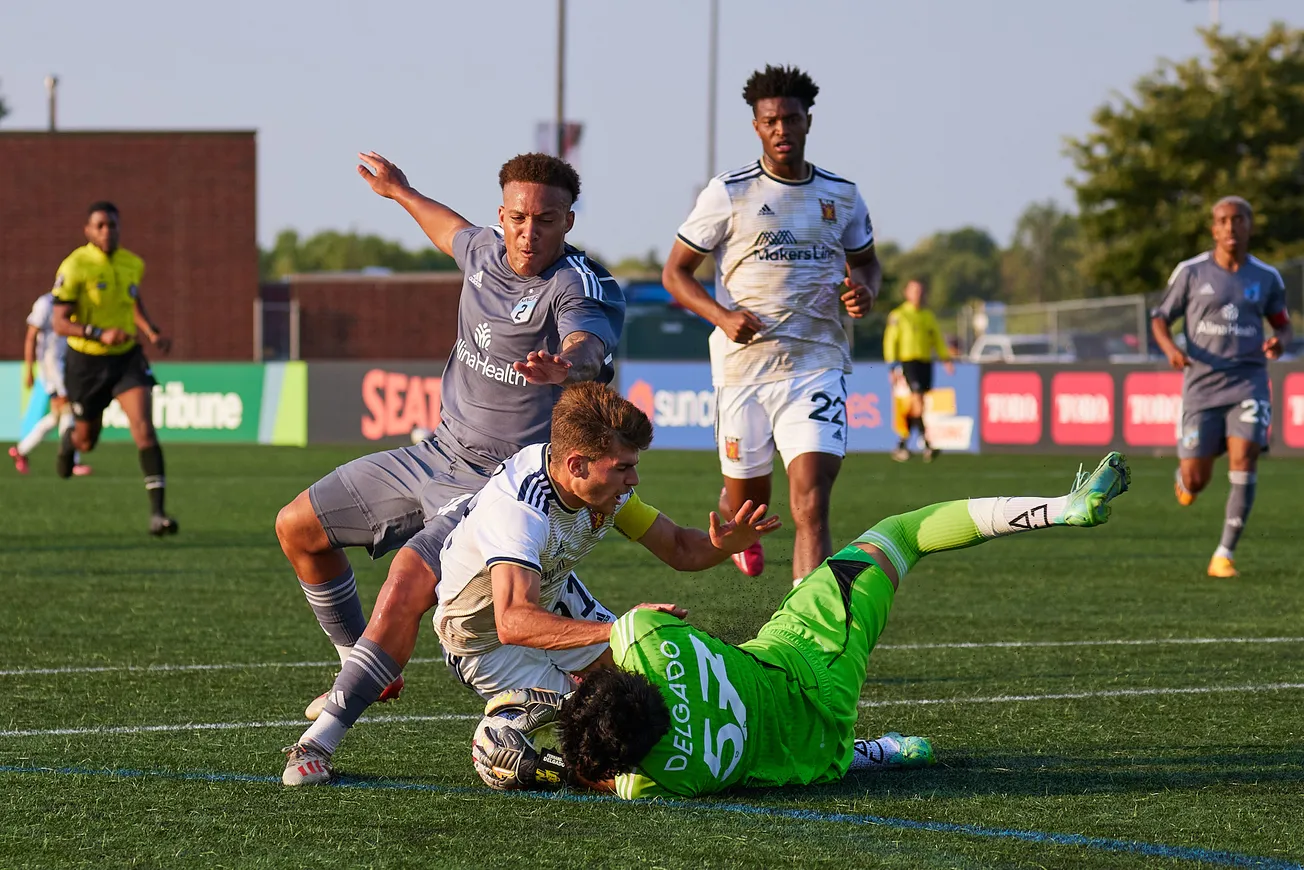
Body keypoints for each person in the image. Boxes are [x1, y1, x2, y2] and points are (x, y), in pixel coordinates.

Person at [471, 453, 1130, 798]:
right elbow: (607, 649)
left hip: (813, 755)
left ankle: (866, 753)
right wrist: (552, 706)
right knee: (902, 535)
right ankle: (1063, 508)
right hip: (804, 658)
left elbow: (605, 776)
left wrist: (543, 771)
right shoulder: (648, 635)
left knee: (810, 758)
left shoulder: (657, 783)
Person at [274, 153, 624, 765]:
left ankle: (321, 739)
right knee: (297, 526)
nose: (528, 231)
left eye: (544, 219)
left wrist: (569, 365)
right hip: (437, 451)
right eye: (517, 217)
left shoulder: (575, 283)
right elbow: (446, 228)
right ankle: (358, 662)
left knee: (407, 582)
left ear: (568, 221)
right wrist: (400, 192)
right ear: (502, 215)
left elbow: (587, 339)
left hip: (500, 483)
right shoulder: (484, 252)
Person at [282, 383, 780, 785]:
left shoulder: (602, 490)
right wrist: (617, 631)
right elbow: (513, 621)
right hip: (484, 642)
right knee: (613, 734)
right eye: (624, 468)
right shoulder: (520, 513)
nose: (633, 481)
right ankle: (490, 738)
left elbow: (680, 548)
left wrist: (725, 544)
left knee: (660, 694)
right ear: (577, 465)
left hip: (555, 599)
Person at [662, 65, 881, 585]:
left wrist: (866, 288)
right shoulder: (729, 193)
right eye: (770, 121)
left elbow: (867, 261)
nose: (781, 129)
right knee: (750, 512)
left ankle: (807, 638)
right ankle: (742, 526)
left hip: (816, 366)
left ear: (808, 122)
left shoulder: (842, 195)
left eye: (791, 118)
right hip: (744, 373)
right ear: (757, 127)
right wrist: (720, 315)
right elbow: (675, 273)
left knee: (811, 505)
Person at [1151, 196, 1292, 578]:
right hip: (1201, 386)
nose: (1231, 227)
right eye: (1224, 221)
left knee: (1244, 457)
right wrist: (1170, 349)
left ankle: (1223, 554)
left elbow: (1282, 323)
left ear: (1249, 225)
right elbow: (1160, 318)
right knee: (1197, 478)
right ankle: (1188, 478)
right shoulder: (1191, 272)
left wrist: (1279, 340)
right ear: (1214, 229)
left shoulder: (1266, 278)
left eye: (1239, 219)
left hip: (1249, 381)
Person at [49, 202, 175, 534]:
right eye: (100, 225)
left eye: (113, 225)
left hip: (126, 358)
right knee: (87, 441)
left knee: (144, 428)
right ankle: (69, 438)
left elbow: (132, 301)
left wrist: (151, 331)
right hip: (86, 362)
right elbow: (59, 322)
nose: (108, 231)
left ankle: (158, 514)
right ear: (88, 231)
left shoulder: (132, 263)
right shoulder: (75, 265)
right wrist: (97, 333)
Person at [9, 292, 91, 475]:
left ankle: (21, 451)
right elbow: (31, 336)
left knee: (57, 416)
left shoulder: (75, 301)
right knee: (69, 409)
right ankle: (71, 460)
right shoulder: (45, 303)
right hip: (52, 364)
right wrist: (29, 369)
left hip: (65, 362)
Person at [883, 278, 954, 462]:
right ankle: (925, 443)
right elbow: (891, 341)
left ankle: (903, 443)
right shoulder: (898, 315)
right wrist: (892, 366)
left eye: (920, 291)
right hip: (908, 362)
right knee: (917, 400)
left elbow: (937, 338)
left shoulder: (927, 316)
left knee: (919, 404)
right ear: (906, 293)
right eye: (914, 291)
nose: (917, 294)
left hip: (925, 362)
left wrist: (945, 358)